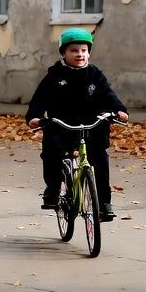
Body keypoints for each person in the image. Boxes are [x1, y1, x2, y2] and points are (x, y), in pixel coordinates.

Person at [26, 28, 129, 222]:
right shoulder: (55, 75)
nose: (79, 54)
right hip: (61, 125)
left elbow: (108, 95)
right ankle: (53, 190)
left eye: (83, 50)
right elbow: (40, 99)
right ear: (64, 53)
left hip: (92, 126)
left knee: (99, 158)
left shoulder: (95, 74)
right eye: (74, 50)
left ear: (89, 52)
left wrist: (119, 110)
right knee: (52, 152)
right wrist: (35, 117)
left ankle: (104, 203)